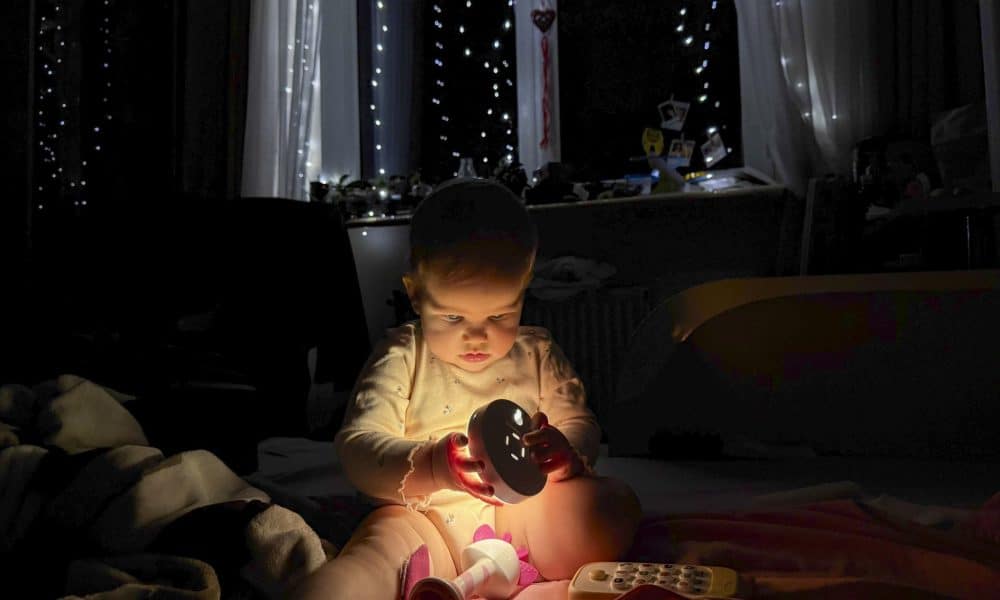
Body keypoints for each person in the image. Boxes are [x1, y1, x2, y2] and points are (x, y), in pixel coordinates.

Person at [290, 178, 641, 599]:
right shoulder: (403, 355)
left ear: (523, 289)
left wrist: (566, 452)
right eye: (453, 318)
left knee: (612, 506)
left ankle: (528, 561)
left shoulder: (537, 352)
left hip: (520, 518)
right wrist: (434, 465)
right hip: (423, 515)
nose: (477, 337)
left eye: (498, 315)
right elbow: (358, 447)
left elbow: (580, 421)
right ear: (416, 294)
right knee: (375, 559)